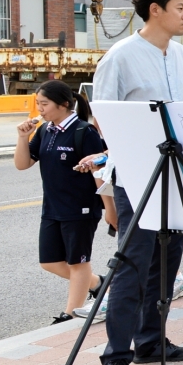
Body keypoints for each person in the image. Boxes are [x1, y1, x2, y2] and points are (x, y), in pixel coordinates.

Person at [82, 0, 183, 365]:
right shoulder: (121, 55)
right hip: (136, 175)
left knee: (167, 263)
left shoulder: (182, 56)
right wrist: (107, 188)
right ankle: (115, 357)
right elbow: (103, 119)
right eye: (181, 7)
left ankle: (151, 341)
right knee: (132, 265)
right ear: (156, 10)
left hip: (175, 174)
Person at [14, 80, 110, 323]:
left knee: (78, 262)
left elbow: (100, 171)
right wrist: (23, 137)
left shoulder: (83, 132)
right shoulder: (46, 131)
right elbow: (22, 164)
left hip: (81, 207)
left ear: (64, 104)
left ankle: (71, 314)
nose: (40, 109)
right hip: (53, 208)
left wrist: (109, 208)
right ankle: (100, 283)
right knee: (49, 262)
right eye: (38, 104)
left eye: (44, 104)